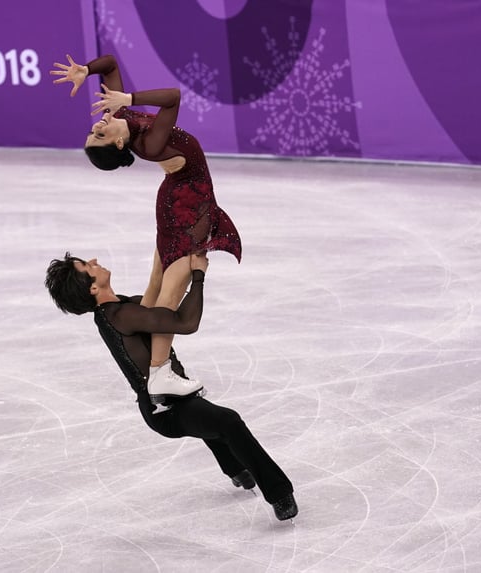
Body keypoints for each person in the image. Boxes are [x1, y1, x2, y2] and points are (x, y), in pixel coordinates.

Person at [44, 251, 297, 521]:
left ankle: (237, 471)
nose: (93, 261)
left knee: (208, 419)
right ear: (93, 287)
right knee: (227, 422)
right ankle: (279, 494)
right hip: (164, 409)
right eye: (87, 266)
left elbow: (157, 288)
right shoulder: (120, 315)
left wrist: (163, 245)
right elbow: (185, 323)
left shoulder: (121, 308)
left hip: (170, 401)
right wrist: (198, 276)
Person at [50, 53, 242, 407]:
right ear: (118, 144)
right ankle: (160, 373)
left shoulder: (117, 117)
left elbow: (109, 64)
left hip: (174, 201)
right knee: (168, 295)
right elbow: (173, 97)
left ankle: (144, 355)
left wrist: (86, 71)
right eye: (99, 135)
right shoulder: (149, 143)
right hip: (189, 207)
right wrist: (130, 99)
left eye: (93, 132)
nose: (96, 127)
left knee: (154, 289)